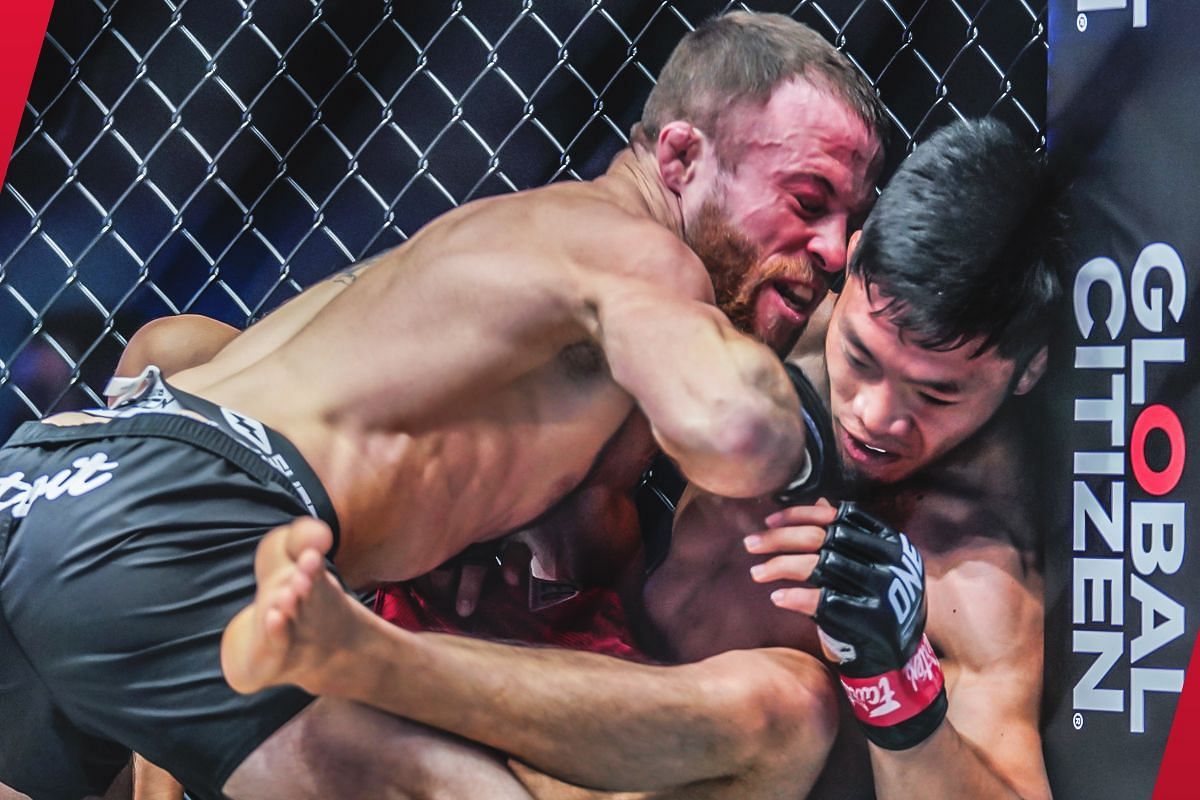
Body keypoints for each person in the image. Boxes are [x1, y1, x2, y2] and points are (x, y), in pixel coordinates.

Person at [0, 11, 885, 800]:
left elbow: (185, 356)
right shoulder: (642, 260)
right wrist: (802, 435)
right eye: (808, 201)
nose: (835, 248)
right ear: (682, 158)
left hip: (48, 481)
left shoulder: (500, 242)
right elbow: (731, 431)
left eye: (851, 216)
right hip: (185, 526)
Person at [217, 117, 1063, 800]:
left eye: (935, 395)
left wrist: (898, 683)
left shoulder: (974, 565)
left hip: (647, 766)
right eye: (865, 358)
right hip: (511, 651)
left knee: (790, 706)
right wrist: (479, 507)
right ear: (849, 267)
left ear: (1025, 372)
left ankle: (357, 656)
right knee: (182, 342)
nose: (877, 415)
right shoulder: (749, 302)